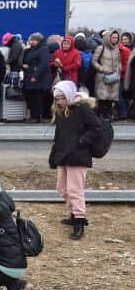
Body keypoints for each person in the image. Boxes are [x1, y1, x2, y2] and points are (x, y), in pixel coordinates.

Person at [48, 80, 102, 240]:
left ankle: (79, 220)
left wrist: (82, 141)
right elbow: (58, 135)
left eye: (62, 98)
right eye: (57, 99)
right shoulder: (61, 111)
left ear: (69, 95)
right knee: (62, 188)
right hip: (64, 155)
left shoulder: (82, 109)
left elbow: (97, 128)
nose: (59, 102)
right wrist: (54, 154)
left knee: (75, 190)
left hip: (78, 156)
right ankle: (74, 213)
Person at [91, 30, 124, 121]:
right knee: (103, 98)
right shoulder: (100, 48)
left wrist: (119, 69)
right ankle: (103, 115)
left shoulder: (117, 49)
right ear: (108, 38)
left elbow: (119, 61)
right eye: (113, 37)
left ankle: (109, 114)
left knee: (111, 98)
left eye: (116, 38)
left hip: (114, 76)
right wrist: (101, 68)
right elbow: (94, 61)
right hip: (103, 76)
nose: (115, 39)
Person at [22, 33, 53, 123]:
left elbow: (43, 64)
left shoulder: (43, 49)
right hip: (30, 76)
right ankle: (33, 116)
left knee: (37, 98)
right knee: (31, 97)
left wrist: (35, 75)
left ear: (39, 41)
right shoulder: (32, 50)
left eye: (34, 40)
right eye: (31, 40)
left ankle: (37, 117)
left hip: (39, 78)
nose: (31, 42)